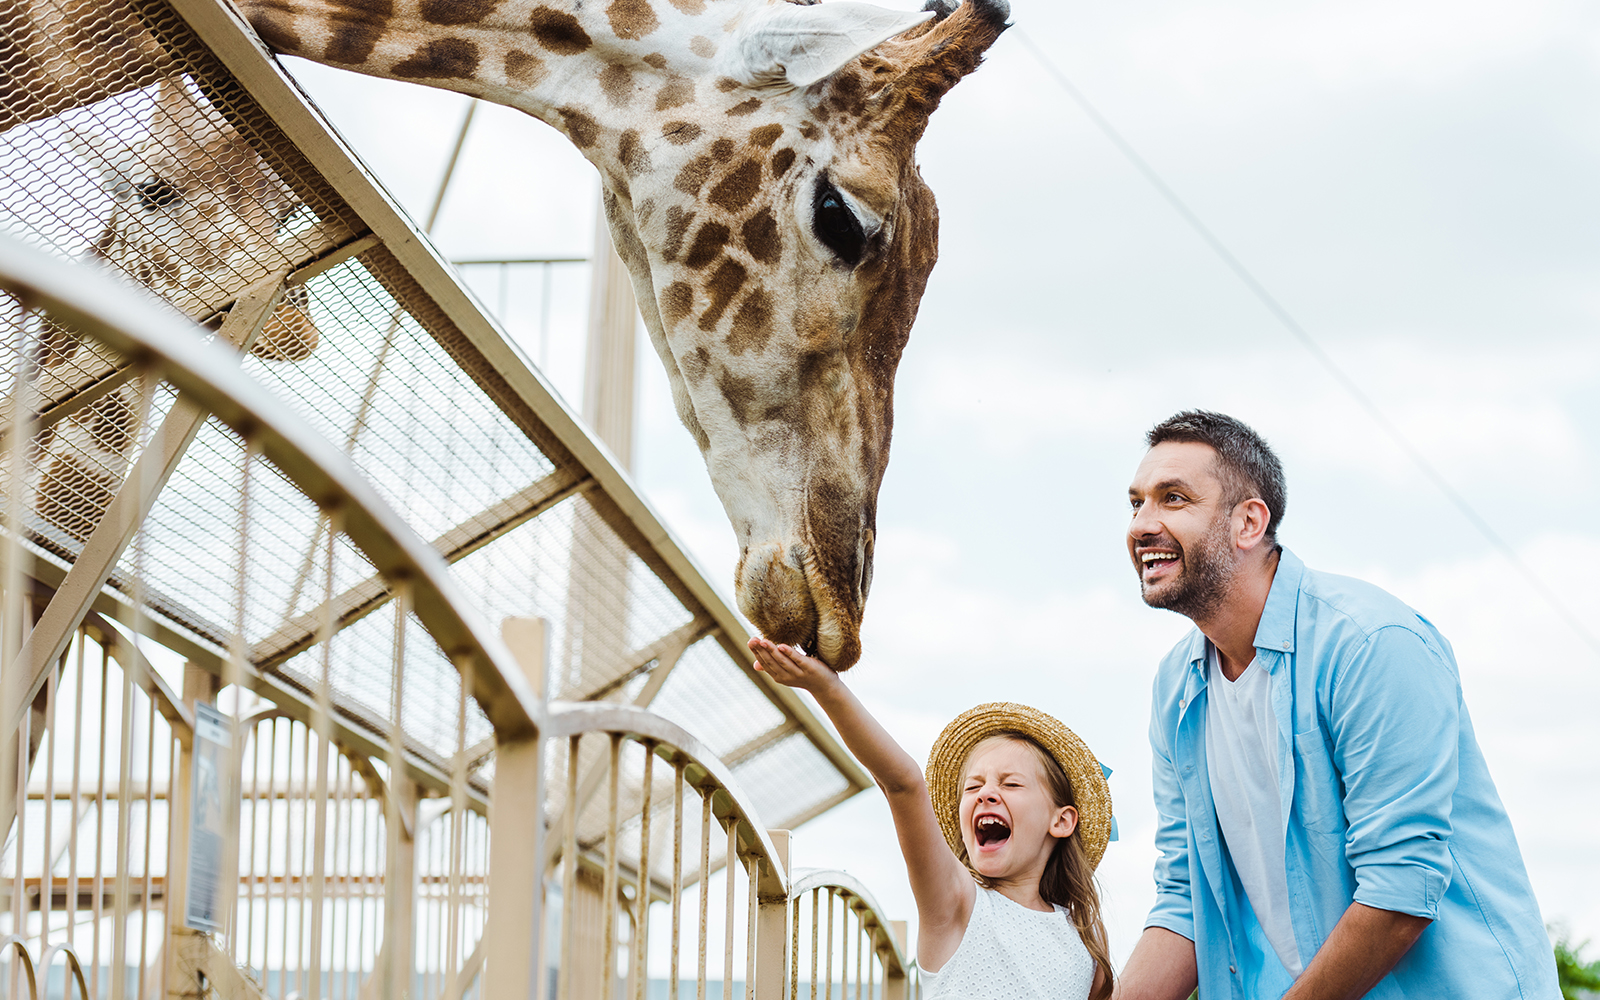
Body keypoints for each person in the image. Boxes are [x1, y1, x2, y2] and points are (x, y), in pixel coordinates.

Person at [1116, 410, 1559, 1000]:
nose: (1143, 524)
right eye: (1136, 503)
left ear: (1249, 522)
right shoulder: (1175, 687)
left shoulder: (1372, 644)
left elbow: (1400, 889)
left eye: (1173, 499)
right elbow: (1186, 899)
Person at [750, 637, 1116, 1000]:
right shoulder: (956, 904)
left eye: (1011, 783)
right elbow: (903, 785)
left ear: (1062, 821)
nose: (986, 793)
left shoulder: (1084, 934)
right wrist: (828, 689)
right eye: (973, 787)